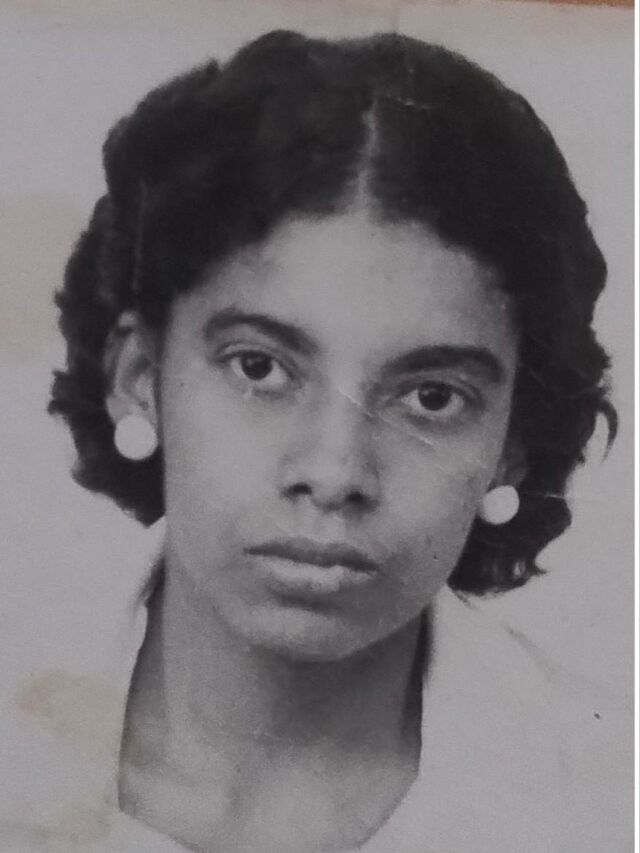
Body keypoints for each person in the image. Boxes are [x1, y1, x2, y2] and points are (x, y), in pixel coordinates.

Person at [38, 29, 619, 853]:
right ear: (139, 375)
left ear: (512, 444)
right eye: (260, 367)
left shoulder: (608, 799)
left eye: (430, 396)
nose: (334, 470)